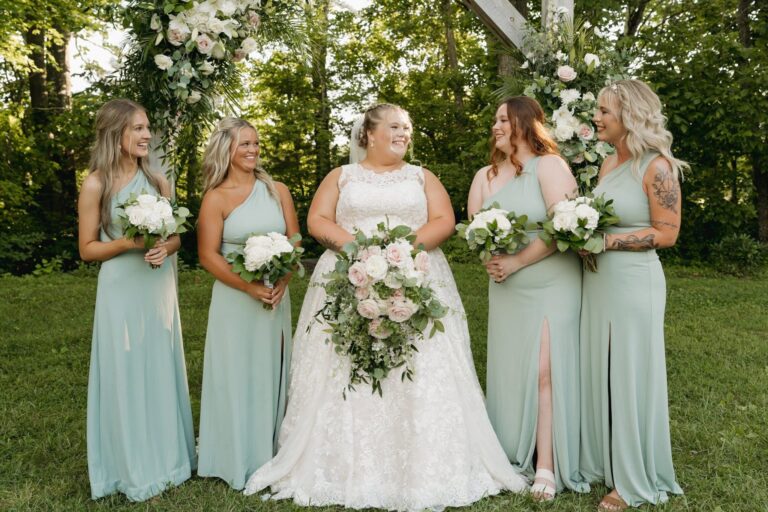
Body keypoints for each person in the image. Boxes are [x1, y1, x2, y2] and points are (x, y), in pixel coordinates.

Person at [243, 103, 529, 509]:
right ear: (368, 135)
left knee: (421, 363)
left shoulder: (422, 176)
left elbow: (444, 219)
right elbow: (318, 220)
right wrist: (358, 250)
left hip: (416, 272)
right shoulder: (341, 176)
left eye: (407, 128)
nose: (403, 134)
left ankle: (424, 461)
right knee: (342, 363)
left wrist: (400, 251)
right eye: (395, 127)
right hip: (347, 274)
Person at [467, 96, 588, 501]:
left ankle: (547, 465)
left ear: (524, 123)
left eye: (503, 119)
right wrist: (492, 260)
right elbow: (475, 228)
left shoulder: (549, 166)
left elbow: (564, 228)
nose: (496, 126)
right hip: (507, 285)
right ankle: (509, 450)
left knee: (544, 370)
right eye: (494, 120)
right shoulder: (485, 175)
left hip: (551, 278)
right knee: (511, 369)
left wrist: (517, 261)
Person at [79, 98, 195, 501]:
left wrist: (167, 248)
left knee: (158, 365)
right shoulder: (97, 182)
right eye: (138, 129)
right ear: (116, 134)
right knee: (125, 369)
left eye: (147, 128)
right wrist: (129, 242)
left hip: (157, 286)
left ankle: (169, 461)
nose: (147, 135)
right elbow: (87, 249)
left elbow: (177, 236)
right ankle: (128, 466)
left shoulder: (159, 181)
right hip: (121, 287)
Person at [580, 79, 685, 511]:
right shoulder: (607, 163)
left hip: (633, 283)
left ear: (630, 116)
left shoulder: (657, 167)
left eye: (605, 112)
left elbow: (668, 233)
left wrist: (607, 243)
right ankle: (604, 460)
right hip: (599, 283)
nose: (597, 118)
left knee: (629, 372)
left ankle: (631, 480)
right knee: (600, 368)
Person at [196, 117, 299, 489]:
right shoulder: (216, 197)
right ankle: (232, 454)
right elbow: (208, 256)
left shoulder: (277, 190)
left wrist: (282, 281)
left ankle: (270, 453)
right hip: (235, 298)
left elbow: (295, 239)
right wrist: (248, 287)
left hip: (275, 295)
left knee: (271, 369)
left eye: (256, 144)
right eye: (245, 144)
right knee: (234, 371)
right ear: (227, 149)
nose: (253, 150)